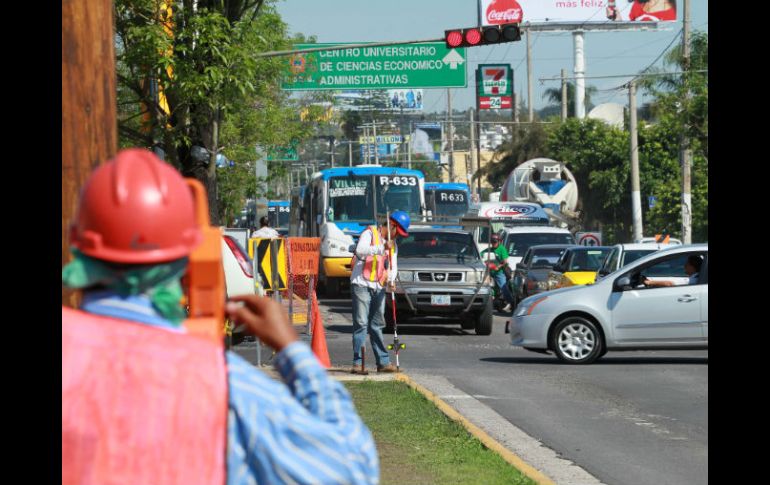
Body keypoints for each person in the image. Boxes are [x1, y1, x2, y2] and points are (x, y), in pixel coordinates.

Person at [62, 149, 379, 485]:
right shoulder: (226, 389)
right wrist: (293, 352)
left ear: (78, 246)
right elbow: (350, 470)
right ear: (190, 256)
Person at [349, 211, 410, 374]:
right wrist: (382, 247)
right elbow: (360, 251)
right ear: (392, 226)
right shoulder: (370, 234)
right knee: (361, 323)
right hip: (361, 283)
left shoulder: (393, 245)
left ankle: (383, 363)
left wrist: (392, 279)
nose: (399, 236)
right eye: (399, 232)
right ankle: (358, 363)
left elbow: (392, 266)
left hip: (379, 287)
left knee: (377, 324)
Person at [482, 234, 515, 312]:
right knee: (485, 286)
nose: (493, 243)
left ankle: (512, 303)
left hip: (499, 272)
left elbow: (505, 261)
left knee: (503, 288)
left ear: (499, 241)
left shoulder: (502, 249)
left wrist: (498, 267)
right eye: (492, 242)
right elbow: (481, 255)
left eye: (495, 242)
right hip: (490, 272)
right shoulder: (489, 250)